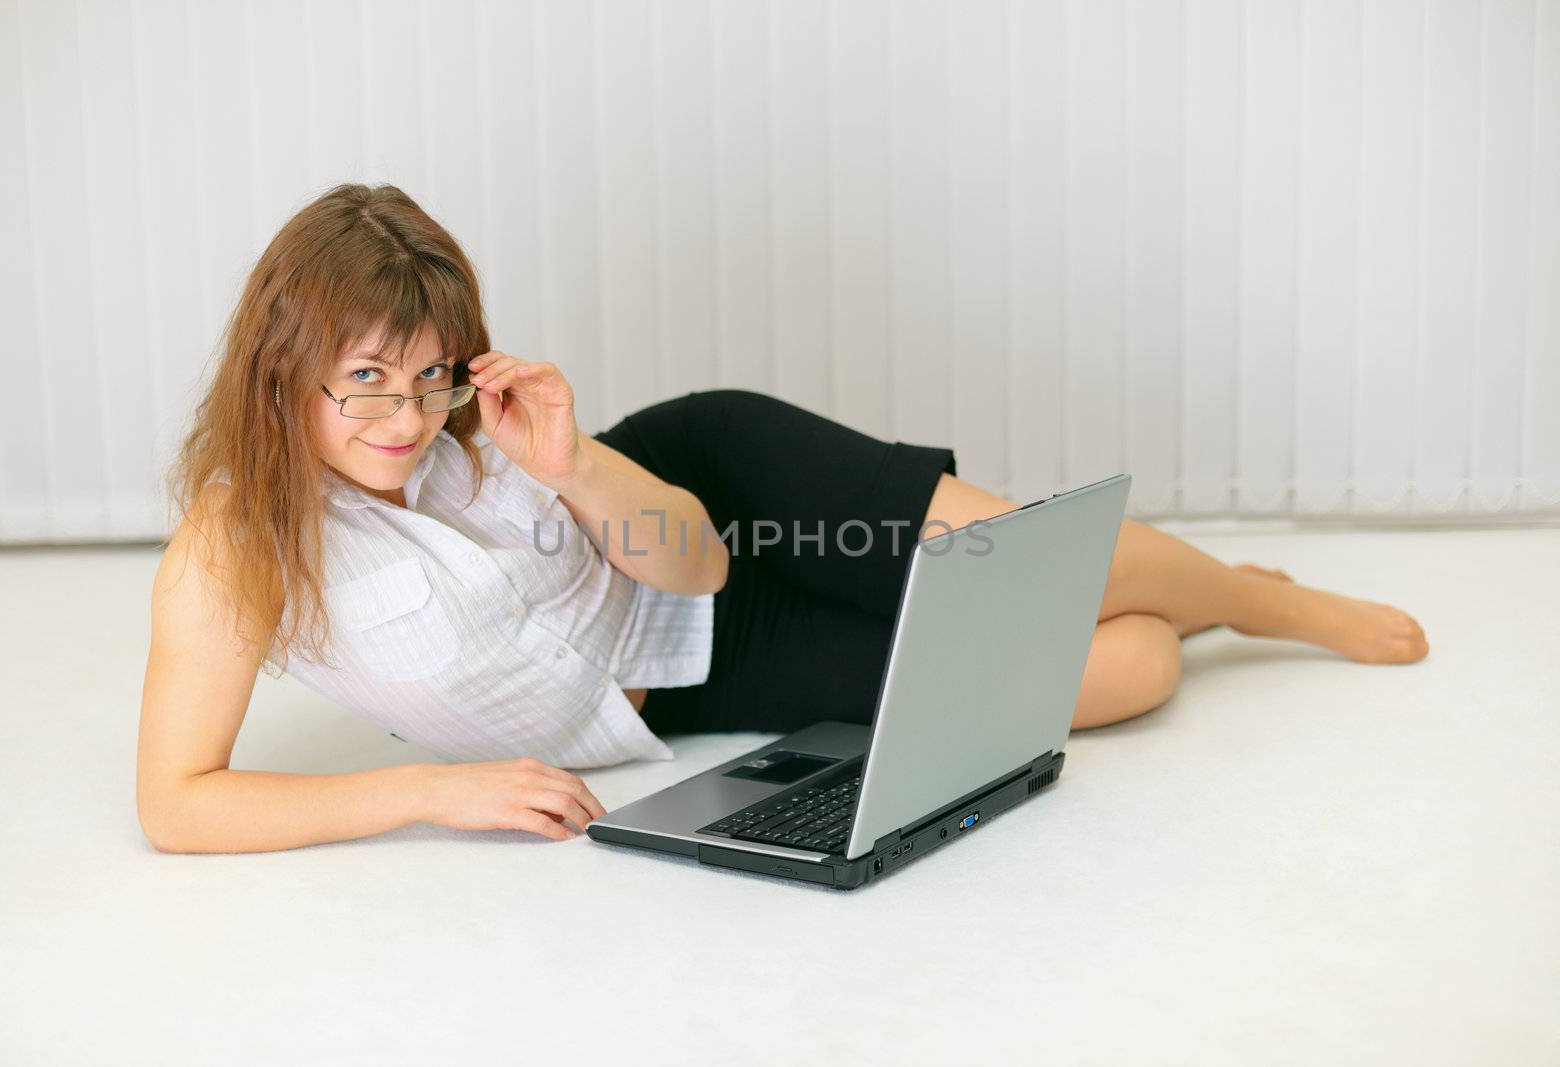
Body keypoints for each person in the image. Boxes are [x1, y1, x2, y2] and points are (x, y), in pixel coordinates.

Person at [136, 183, 1429, 855]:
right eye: (363, 377)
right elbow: (176, 802)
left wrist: (572, 459)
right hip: (702, 677)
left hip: (717, 502)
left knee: (1033, 565)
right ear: (281, 361)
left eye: (429, 375)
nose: (405, 417)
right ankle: (1195, 598)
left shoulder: (499, 432)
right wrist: (424, 791)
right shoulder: (233, 545)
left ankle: (1271, 601)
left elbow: (693, 558)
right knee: (1125, 669)